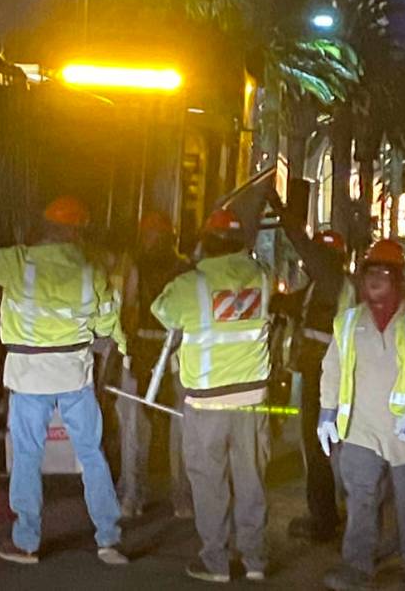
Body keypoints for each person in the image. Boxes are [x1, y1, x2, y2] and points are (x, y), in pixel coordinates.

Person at [0, 196, 129, 566]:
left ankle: (26, 542)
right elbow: (107, 323)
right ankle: (108, 540)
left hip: (28, 376)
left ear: (44, 227)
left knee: (27, 456)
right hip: (75, 374)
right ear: (78, 232)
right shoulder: (91, 270)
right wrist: (122, 344)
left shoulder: (17, 262)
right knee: (91, 454)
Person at [319, 239, 405, 590]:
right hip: (361, 432)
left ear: (397, 280)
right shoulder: (348, 323)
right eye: (369, 274)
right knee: (360, 501)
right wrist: (327, 412)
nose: (374, 281)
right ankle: (357, 568)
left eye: (383, 274)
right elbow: (332, 369)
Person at [151, 208, 272, 584]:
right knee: (251, 479)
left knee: (209, 482)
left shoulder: (192, 284)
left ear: (207, 242)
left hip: (207, 402)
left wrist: (187, 269)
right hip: (252, 401)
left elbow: (162, 312)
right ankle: (254, 560)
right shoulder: (264, 278)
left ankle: (216, 562)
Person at [275, 222, 356, 543]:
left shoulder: (331, 281)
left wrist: (282, 211)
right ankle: (329, 513)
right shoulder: (325, 284)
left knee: (318, 447)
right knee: (324, 447)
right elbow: (294, 305)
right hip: (322, 374)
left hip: (325, 376)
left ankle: (324, 519)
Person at [117, 211, 193, 519]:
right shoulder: (186, 269)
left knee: (134, 428)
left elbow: (128, 306)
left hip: (145, 350)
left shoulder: (134, 264)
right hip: (177, 353)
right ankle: (182, 500)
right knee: (180, 428)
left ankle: (133, 497)